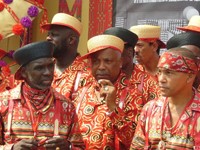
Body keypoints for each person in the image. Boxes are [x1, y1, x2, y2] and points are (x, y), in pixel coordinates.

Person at [0, 41, 84, 150]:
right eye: (39, 68)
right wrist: (12, 148)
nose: (48, 72)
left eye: (50, 66)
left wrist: (68, 147)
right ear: (24, 72)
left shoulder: (66, 106)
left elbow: (80, 147)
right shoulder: (3, 103)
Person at [72, 34, 143, 150]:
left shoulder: (133, 95)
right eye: (95, 62)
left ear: (120, 62)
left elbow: (134, 141)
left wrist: (113, 107)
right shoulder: (82, 92)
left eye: (107, 61)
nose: (101, 67)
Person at [130, 47, 200, 149]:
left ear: (190, 76)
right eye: (160, 72)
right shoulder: (150, 109)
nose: (161, 79)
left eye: (169, 73)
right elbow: (137, 146)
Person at [103, 27, 159, 103]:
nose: (109, 56)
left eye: (115, 52)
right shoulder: (96, 81)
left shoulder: (149, 84)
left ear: (129, 52)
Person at [41, 13, 87, 98]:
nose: (48, 38)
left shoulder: (87, 76)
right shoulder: (42, 69)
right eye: (48, 34)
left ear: (71, 40)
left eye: (54, 35)